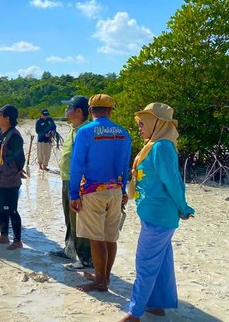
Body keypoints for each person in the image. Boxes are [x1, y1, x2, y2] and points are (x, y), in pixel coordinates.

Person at [121, 103, 195, 322]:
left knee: (144, 263)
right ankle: (156, 305)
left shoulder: (162, 147)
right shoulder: (153, 145)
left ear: (157, 123)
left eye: (143, 122)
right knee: (160, 261)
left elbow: (173, 181)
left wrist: (183, 207)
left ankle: (134, 313)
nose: (140, 127)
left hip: (159, 217)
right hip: (153, 215)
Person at [69, 94, 131, 293]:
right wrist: (122, 190)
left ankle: (101, 282)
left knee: (96, 239)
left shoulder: (85, 131)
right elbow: (125, 165)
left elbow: (77, 165)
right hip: (114, 190)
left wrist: (73, 193)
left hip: (92, 191)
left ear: (89, 110)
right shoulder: (123, 133)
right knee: (110, 237)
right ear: (110, 110)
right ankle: (104, 276)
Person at [50, 96, 93, 270]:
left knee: (78, 220)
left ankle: (85, 259)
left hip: (77, 181)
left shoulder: (86, 131)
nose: (65, 110)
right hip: (66, 178)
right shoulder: (74, 129)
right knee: (69, 218)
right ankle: (69, 249)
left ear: (79, 111)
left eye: (69, 107)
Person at [0, 105, 26, 250]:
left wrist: (14, 171)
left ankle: (17, 240)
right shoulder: (0, 134)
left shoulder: (14, 136)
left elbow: (20, 159)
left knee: (11, 209)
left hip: (9, 180)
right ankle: (4, 235)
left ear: (7, 118)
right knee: (0, 208)